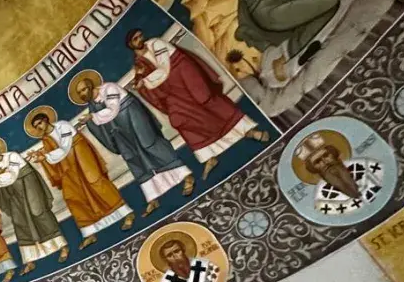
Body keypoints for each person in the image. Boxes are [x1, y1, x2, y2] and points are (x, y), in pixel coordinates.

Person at [127, 30, 269, 180]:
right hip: (171, 90)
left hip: (184, 73)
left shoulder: (156, 43)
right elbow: (143, 84)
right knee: (178, 120)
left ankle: (248, 131)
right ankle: (208, 155)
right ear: (130, 45)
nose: (140, 39)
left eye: (140, 35)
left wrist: (145, 81)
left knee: (206, 100)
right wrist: (141, 83)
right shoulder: (139, 63)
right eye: (136, 39)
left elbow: (165, 68)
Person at [74, 73, 192, 216]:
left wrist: (92, 117)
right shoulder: (92, 106)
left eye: (83, 90)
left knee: (151, 145)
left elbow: (113, 109)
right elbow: (99, 125)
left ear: (90, 86)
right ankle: (152, 197)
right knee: (133, 159)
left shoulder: (109, 88)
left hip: (133, 119)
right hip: (120, 132)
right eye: (79, 93)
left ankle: (186, 176)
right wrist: (91, 121)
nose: (82, 94)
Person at [29, 108, 134, 247]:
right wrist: (41, 157)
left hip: (80, 154)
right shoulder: (46, 140)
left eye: (39, 123)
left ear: (46, 120)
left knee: (96, 182)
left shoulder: (63, 125)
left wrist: (46, 156)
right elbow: (53, 157)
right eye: (36, 126)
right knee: (73, 195)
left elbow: (65, 146)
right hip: (67, 166)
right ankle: (89, 232)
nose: (39, 127)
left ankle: (126, 213)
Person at [0, 138, 68, 273]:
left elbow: (12, 176)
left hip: (28, 187)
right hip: (14, 196)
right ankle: (30, 260)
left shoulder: (12, 156)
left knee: (39, 213)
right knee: (20, 222)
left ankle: (62, 247)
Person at [293, 131, 383, 216]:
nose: (325, 162)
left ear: (333, 154)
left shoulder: (368, 166)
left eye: (326, 155)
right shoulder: (323, 200)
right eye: (317, 161)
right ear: (314, 169)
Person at [150, 233, 219, 282]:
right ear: (165, 259)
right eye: (169, 255)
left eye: (177, 251)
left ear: (183, 250)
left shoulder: (207, 266)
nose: (175, 256)